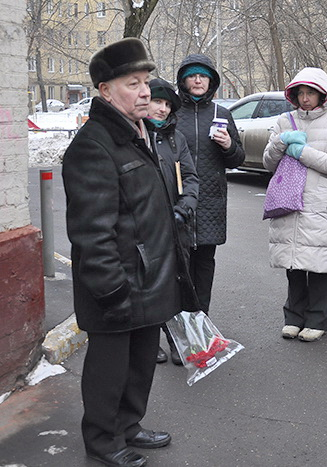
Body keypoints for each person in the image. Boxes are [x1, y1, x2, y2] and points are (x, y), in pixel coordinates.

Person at [62, 38, 193, 467]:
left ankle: (129, 426)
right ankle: (103, 442)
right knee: (108, 372)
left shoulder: (140, 134)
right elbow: (91, 233)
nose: (144, 92)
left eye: (146, 82)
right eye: (132, 83)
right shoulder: (93, 145)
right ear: (105, 90)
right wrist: (111, 292)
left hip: (148, 277)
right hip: (118, 285)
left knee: (139, 366)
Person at [263, 67, 327, 342]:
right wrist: (281, 143)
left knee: (318, 266)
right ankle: (293, 317)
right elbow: (268, 162)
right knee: (294, 265)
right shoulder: (284, 121)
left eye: (310, 93)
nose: (304, 99)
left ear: (322, 94)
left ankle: (317, 320)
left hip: (320, 204)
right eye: (300, 93)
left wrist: (303, 152)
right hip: (289, 201)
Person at [175, 54, 245, 315]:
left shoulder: (222, 114)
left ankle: (202, 321)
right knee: (178, 266)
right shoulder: (172, 112)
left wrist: (228, 145)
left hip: (210, 202)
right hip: (178, 199)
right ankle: (179, 326)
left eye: (202, 75)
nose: (197, 80)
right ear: (183, 80)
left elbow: (237, 158)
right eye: (192, 75)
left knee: (204, 264)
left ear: (211, 81)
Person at [145, 78, 199, 366]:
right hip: (146, 228)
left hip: (177, 225)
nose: (163, 109)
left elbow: (190, 177)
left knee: (177, 284)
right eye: (158, 101)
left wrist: (185, 208)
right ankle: (149, 341)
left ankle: (177, 339)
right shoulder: (136, 136)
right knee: (149, 283)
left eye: (167, 104)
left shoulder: (176, 139)